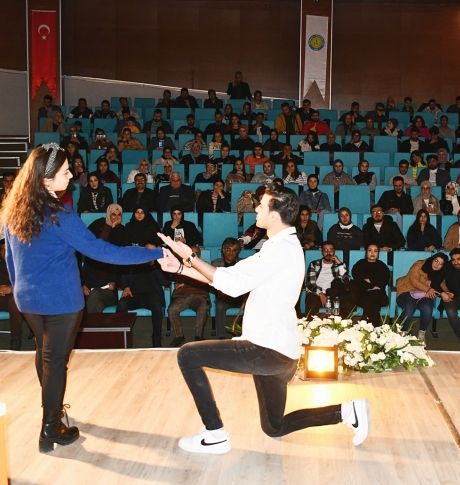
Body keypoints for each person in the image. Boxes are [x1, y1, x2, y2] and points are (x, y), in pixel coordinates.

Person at [158, 187, 371, 454]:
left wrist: (189, 256)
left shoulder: (281, 251)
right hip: (280, 355)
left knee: (188, 355)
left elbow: (232, 285)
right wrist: (181, 268)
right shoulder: (277, 246)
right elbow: (228, 276)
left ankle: (214, 434)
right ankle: (346, 411)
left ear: (275, 215)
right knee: (274, 426)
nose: (256, 208)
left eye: (262, 206)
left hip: (265, 348)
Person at [0, 144, 164, 453]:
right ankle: (50, 430)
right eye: (65, 172)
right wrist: (154, 252)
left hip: (28, 299)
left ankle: (53, 412)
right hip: (60, 300)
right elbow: (104, 252)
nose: (72, 175)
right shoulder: (58, 213)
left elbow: (10, 257)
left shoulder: (15, 208)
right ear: (46, 180)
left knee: (44, 353)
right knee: (55, 362)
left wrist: (19, 287)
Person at [118, 243, 169, 347]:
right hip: (134, 296)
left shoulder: (158, 266)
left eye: (152, 251)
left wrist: (156, 264)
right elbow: (123, 278)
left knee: (156, 304)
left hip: (151, 296)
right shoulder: (133, 263)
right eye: (147, 250)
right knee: (121, 304)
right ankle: (121, 337)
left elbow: (165, 281)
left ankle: (156, 338)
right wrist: (126, 287)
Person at [81, 204, 125, 314]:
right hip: (93, 292)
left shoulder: (113, 261)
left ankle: (83, 325)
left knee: (95, 293)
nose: (116, 217)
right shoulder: (91, 259)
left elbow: (116, 246)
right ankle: (93, 329)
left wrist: (115, 228)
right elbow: (85, 237)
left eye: (119, 215)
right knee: (98, 305)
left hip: (107, 292)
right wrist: (83, 286)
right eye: (113, 214)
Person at [396, 253, 448, 341]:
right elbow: (412, 279)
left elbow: (442, 284)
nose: (437, 265)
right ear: (432, 259)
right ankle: (402, 333)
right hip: (407, 290)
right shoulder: (420, 264)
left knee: (427, 307)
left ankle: (422, 334)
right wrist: (428, 289)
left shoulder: (440, 273)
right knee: (409, 307)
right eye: (436, 261)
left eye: (440, 264)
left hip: (424, 294)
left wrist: (446, 292)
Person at [167, 246, 211, 346]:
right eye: (192, 253)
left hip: (199, 294)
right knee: (172, 309)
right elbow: (176, 282)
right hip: (181, 295)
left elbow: (205, 282)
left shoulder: (205, 267)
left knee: (203, 307)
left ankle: (199, 336)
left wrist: (186, 283)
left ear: (199, 255)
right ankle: (179, 336)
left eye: (196, 253)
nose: (193, 256)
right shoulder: (181, 266)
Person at [302, 242, 356, 317]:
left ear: (334, 251)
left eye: (330, 250)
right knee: (312, 305)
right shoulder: (314, 264)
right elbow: (309, 283)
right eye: (325, 250)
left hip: (333, 293)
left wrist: (339, 264)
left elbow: (347, 281)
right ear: (322, 252)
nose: (328, 253)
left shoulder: (339, 266)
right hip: (316, 293)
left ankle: (340, 325)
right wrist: (321, 294)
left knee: (347, 304)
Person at [210, 238, 247, 336]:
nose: (231, 253)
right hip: (224, 297)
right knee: (220, 305)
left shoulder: (243, 264)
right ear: (223, 250)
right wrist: (218, 288)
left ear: (238, 252)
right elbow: (210, 280)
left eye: (234, 250)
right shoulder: (215, 264)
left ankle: (245, 333)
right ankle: (221, 336)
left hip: (240, 295)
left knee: (253, 303)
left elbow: (247, 281)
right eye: (228, 249)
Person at [351, 244, 391, 326]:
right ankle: (374, 329)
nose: (372, 253)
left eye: (375, 251)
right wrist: (373, 285)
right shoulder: (359, 265)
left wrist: (370, 280)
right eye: (370, 250)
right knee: (374, 305)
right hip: (362, 295)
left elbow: (384, 280)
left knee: (374, 296)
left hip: (379, 295)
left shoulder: (382, 266)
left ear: (378, 253)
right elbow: (357, 281)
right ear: (366, 252)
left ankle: (365, 320)